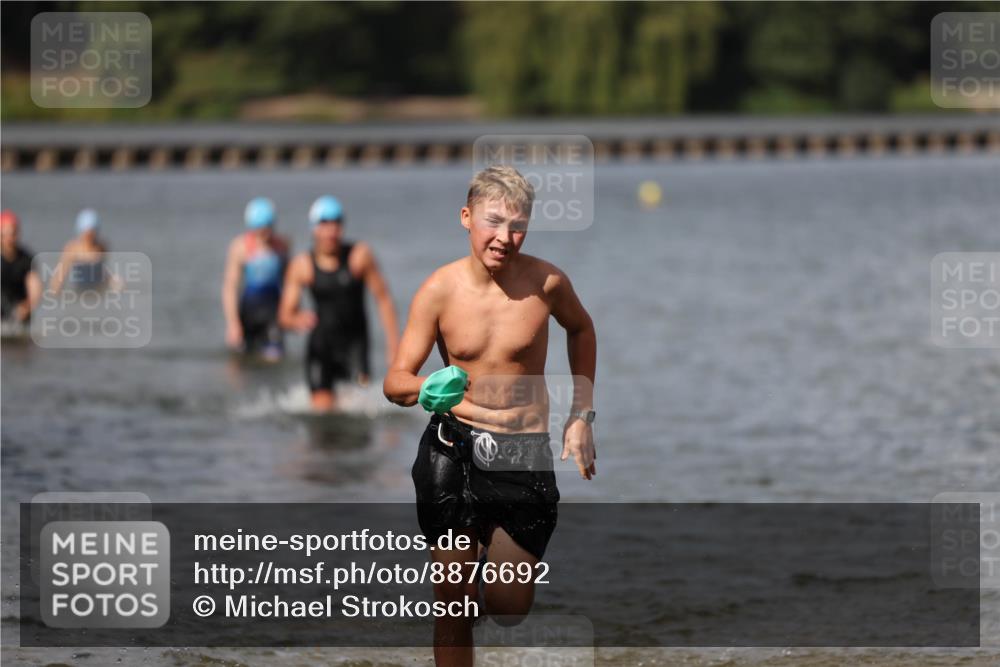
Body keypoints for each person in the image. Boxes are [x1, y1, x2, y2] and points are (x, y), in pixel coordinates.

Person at [383, 165, 597, 667]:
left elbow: (582, 329)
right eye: (493, 222)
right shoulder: (439, 289)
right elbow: (396, 381)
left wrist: (581, 415)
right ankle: (458, 605)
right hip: (452, 449)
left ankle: (479, 597)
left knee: (508, 607)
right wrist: (432, 391)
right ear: (466, 217)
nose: (505, 238)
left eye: (517, 225)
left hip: (523, 452)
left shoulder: (547, 282)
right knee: (451, 605)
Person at [279, 195, 399, 410]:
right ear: (314, 228)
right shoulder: (302, 265)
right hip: (321, 348)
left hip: (355, 346)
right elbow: (285, 315)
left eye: (336, 223)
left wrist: (394, 348)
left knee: (358, 414)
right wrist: (296, 320)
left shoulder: (359, 256)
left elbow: (384, 300)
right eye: (324, 224)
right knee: (323, 413)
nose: (331, 231)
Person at [222, 197, 290, 361]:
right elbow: (230, 287)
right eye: (259, 230)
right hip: (249, 310)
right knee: (241, 360)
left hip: (273, 310)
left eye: (268, 229)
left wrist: (291, 311)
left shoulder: (282, 246)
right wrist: (233, 323)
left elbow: (289, 282)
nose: (264, 235)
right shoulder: (240, 247)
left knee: (275, 357)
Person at [48, 209, 114, 293]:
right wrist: (55, 291)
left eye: (92, 233)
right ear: (80, 231)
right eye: (87, 234)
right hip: (80, 291)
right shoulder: (72, 248)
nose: (89, 237)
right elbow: (60, 275)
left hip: (98, 290)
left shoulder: (101, 247)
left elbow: (104, 271)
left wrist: (114, 282)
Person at [0, 210, 41, 326]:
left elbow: (35, 289)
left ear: (18, 233)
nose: (9, 238)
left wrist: (27, 306)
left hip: (20, 313)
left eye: (12, 234)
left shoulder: (26, 259)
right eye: (4, 234)